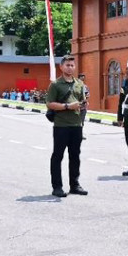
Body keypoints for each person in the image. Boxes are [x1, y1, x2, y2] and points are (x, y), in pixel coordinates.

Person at [46, 55, 87, 198]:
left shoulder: (79, 84)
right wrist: (67, 106)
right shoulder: (56, 85)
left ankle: (74, 185)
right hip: (61, 126)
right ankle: (57, 186)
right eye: (67, 65)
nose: (70, 67)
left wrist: (82, 105)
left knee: (75, 156)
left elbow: (82, 101)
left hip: (76, 125)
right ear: (61, 67)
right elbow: (50, 104)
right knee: (58, 156)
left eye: (72, 65)